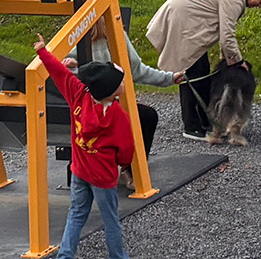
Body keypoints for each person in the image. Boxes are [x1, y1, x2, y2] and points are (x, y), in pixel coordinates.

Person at [34, 35, 134, 259]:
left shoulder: (79, 96)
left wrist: (44, 52)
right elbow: (126, 149)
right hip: (103, 176)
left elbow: (59, 74)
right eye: (120, 83)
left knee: (76, 215)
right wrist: (122, 164)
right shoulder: (118, 116)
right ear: (112, 92)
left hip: (80, 170)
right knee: (111, 219)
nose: (123, 84)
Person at [146, 0, 261, 141]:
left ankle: (206, 122)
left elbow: (224, 32)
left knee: (201, 72)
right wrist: (238, 62)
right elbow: (227, 35)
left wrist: (228, 59)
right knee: (191, 75)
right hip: (183, 22)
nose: (259, 6)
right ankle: (191, 127)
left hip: (189, 23)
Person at [66, 20, 184, 163]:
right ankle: (132, 169)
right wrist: (169, 78)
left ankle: (125, 167)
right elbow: (138, 71)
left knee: (136, 116)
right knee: (145, 117)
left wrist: (169, 78)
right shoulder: (113, 35)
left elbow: (58, 71)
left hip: (81, 111)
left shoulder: (70, 38)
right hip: (100, 109)